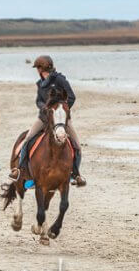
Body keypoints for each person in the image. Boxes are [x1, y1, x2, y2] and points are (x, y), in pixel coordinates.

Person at [8, 55, 86, 186]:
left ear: (40, 68)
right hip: (44, 118)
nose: (37, 71)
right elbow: (38, 100)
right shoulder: (40, 83)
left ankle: (75, 174)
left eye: (37, 68)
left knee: (77, 145)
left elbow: (72, 97)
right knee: (27, 139)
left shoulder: (60, 80)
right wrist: (44, 109)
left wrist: (62, 110)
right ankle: (19, 170)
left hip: (61, 119)